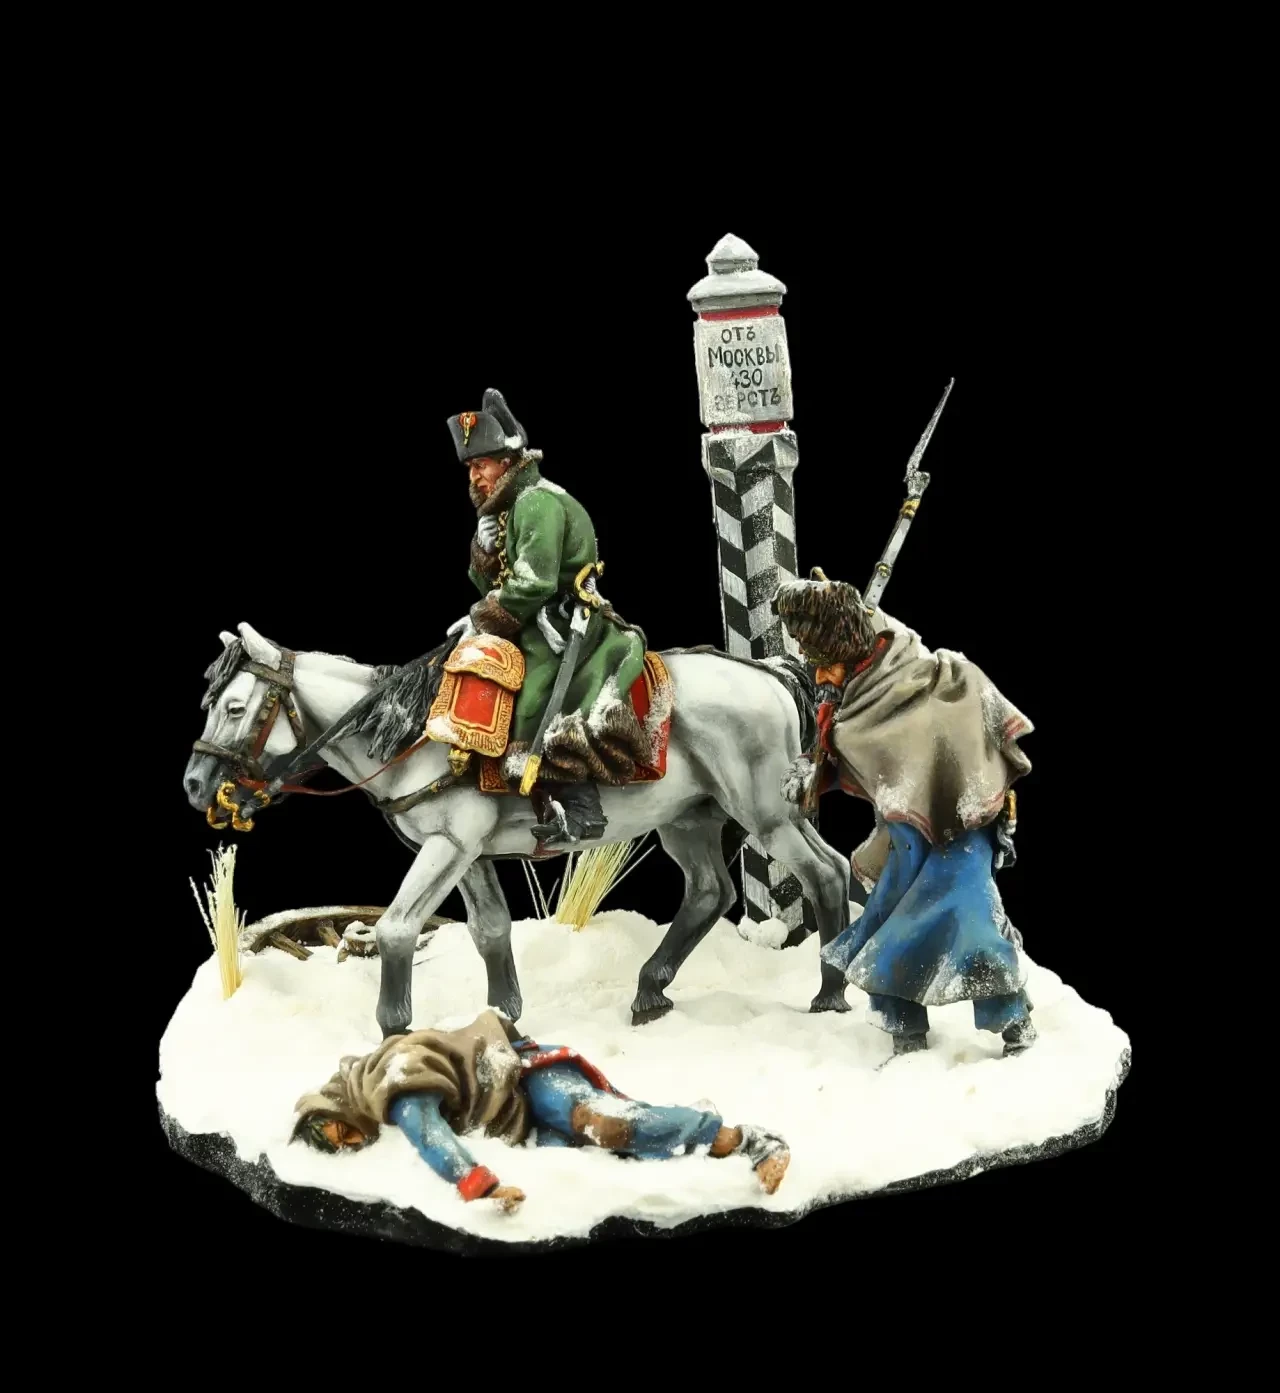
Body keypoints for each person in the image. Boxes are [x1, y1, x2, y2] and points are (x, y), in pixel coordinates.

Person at [773, 571, 1037, 1060]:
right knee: (889, 924)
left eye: (825, 664)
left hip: (960, 832)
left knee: (972, 922)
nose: (820, 677)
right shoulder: (857, 701)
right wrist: (813, 771)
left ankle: (1013, 1019)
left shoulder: (935, 683)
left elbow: (971, 733)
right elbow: (853, 757)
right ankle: (904, 1026)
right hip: (905, 840)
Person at [292, 1009, 790, 1210]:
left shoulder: (393, 1083)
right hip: (519, 1118)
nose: (355, 1139)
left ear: (334, 1109)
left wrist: (479, 1185)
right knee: (599, 1163)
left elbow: (427, 1132)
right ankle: (691, 1140)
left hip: (526, 1075)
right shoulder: (372, 1090)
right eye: (346, 1146)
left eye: (342, 1132)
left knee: (601, 1124)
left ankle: (744, 1139)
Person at [446, 389, 649, 846]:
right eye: (471, 467)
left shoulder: (536, 503)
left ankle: (580, 806)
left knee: (536, 694)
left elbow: (535, 583)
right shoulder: (510, 508)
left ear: (507, 462)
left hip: (563, 622)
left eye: (482, 464)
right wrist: (483, 552)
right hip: (533, 618)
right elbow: (498, 583)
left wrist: (482, 618)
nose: (475, 476)